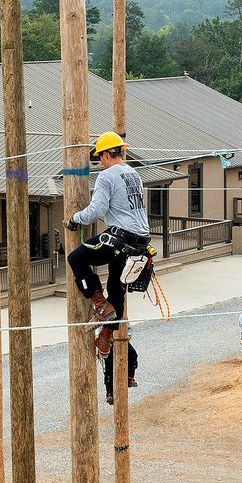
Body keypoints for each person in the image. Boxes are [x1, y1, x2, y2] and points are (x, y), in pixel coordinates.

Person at [66, 132, 150, 358]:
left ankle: (100, 305)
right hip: (140, 243)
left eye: (100, 157)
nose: (100, 162)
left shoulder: (106, 176)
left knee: (76, 258)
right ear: (121, 150)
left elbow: (97, 210)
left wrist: (75, 219)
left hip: (120, 239)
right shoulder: (134, 173)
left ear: (105, 154)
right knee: (116, 288)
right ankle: (105, 337)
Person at [102, 339, 139, 405]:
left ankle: (130, 378)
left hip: (122, 340)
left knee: (133, 355)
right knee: (109, 367)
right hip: (108, 341)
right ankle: (110, 393)